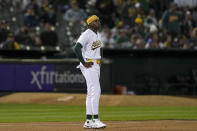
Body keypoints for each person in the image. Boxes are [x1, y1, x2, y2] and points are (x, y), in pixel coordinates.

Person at [73, 15, 106, 129]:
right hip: (89, 64)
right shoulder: (86, 34)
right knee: (96, 90)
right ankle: (95, 119)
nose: (98, 22)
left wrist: (100, 59)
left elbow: (100, 48)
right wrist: (84, 62)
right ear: (90, 23)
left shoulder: (98, 34)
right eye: (95, 21)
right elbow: (76, 47)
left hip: (96, 64)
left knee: (91, 92)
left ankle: (88, 121)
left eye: (98, 20)